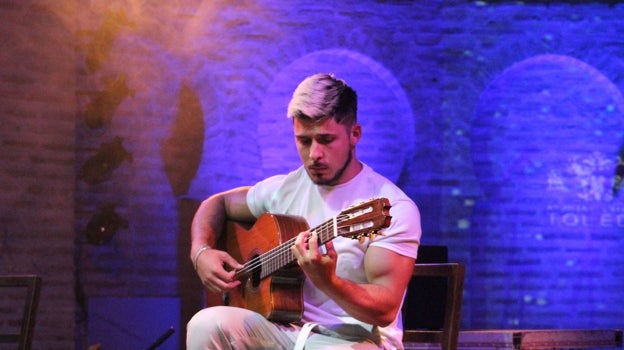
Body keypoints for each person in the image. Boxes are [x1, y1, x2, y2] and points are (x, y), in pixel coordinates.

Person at [186, 73, 422, 349]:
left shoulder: (388, 208)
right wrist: (201, 251)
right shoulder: (283, 189)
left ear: (354, 134)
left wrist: (329, 281)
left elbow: (385, 310)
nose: (314, 154)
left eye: (326, 139)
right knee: (205, 324)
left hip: (354, 341)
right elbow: (217, 203)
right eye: (304, 141)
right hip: (282, 331)